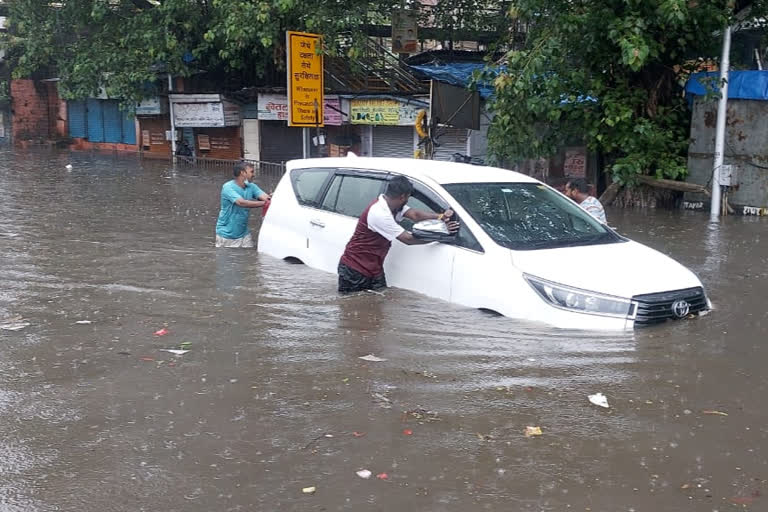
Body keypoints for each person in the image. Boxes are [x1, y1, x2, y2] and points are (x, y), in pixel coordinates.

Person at [338, 175, 458, 293]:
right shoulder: (379, 213)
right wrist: (441, 236)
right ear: (402, 197)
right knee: (354, 308)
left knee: (377, 308)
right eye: (408, 198)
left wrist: (440, 216)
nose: (407, 201)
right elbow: (408, 239)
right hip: (354, 269)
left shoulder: (393, 206)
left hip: (374, 269)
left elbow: (415, 215)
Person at [215, 162, 270, 248]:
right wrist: (265, 203)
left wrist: (274, 197)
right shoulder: (228, 187)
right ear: (242, 173)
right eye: (251, 172)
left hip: (244, 234)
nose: (254, 175)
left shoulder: (251, 187)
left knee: (246, 258)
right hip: (227, 234)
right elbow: (241, 202)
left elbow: (267, 198)